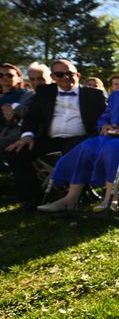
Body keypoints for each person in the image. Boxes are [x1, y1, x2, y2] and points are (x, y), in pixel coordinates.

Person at [36, 60, 119, 213]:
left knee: (113, 147)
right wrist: (104, 126)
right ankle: (70, 198)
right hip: (112, 135)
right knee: (86, 147)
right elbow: (105, 117)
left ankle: (110, 199)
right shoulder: (116, 95)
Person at [5, 60, 107, 208]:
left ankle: (76, 196)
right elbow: (32, 117)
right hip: (50, 138)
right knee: (16, 152)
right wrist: (27, 136)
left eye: (70, 74)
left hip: (81, 138)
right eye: (60, 74)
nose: (66, 77)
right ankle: (34, 198)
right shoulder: (44, 92)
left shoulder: (94, 95)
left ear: (77, 75)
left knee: (75, 151)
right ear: (53, 76)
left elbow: (106, 117)